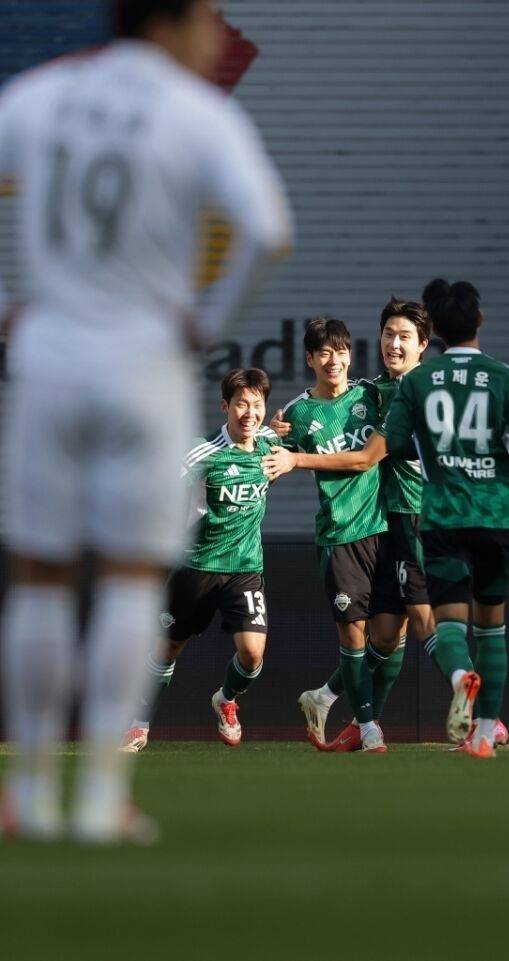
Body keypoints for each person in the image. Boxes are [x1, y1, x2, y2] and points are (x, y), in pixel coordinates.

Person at [0, 0, 292, 842]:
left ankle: (28, 791)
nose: (215, 34)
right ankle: (99, 796)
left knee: (41, 576)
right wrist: (205, 322)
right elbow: (269, 230)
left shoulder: (42, 94)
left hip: (51, 357)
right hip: (144, 362)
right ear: (168, 24)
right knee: (132, 580)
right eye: (203, 17)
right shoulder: (193, 111)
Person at [265, 297, 509, 749]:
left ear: (423, 345)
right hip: (388, 523)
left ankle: (478, 708)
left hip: (420, 518)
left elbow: (365, 459)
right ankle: (345, 709)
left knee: (422, 616)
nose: (394, 344)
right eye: (388, 334)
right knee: (386, 633)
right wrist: (277, 432)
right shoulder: (377, 390)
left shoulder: (419, 391)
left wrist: (296, 458)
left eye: (405, 337)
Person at [380, 279, 509, 757]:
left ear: (435, 332)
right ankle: (485, 735)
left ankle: (458, 677)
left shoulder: (418, 381)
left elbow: (396, 443)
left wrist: (434, 451)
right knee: (492, 625)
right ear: (479, 321)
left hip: (444, 515)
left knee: (449, 621)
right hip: (497, 513)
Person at [266, 299, 435, 748]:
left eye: (340, 351)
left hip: (384, 529)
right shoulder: (297, 413)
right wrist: (272, 439)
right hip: (339, 535)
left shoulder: (370, 395)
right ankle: (368, 726)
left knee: (390, 635)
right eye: (323, 353)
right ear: (309, 358)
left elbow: (366, 457)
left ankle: (325, 697)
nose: (334, 360)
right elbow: (268, 452)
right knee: (356, 635)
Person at [120, 368, 277, 752]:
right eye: (241, 404)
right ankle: (139, 726)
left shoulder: (270, 443)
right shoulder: (202, 451)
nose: (250, 413)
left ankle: (226, 699)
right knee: (167, 649)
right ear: (225, 406)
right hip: (196, 567)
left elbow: (285, 454)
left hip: (245, 568)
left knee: (253, 654)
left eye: (257, 405)